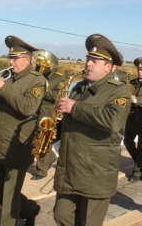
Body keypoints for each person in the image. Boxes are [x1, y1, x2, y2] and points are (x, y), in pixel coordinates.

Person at [53, 33, 131, 226]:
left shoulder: (119, 91)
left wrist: (75, 107)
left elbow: (113, 122)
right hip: (70, 169)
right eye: (88, 58)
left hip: (95, 173)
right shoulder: (78, 88)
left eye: (95, 61)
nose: (88, 63)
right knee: (61, 215)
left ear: (109, 67)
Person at [0, 36, 46, 226]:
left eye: (15, 58)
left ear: (27, 59)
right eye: (10, 58)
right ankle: (29, 209)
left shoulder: (37, 80)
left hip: (17, 147)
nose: (10, 62)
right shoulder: (8, 78)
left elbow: (28, 107)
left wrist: (2, 87)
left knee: (10, 198)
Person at [30, 49, 66, 181]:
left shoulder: (59, 78)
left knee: (43, 139)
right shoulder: (34, 75)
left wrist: (43, 88)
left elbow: (58, 96)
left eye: (44, 64)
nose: (40, 66)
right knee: (32, 137)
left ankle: (41, 170)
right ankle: (49, 157)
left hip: (47, 112)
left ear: (51, 66)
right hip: (33, 110)